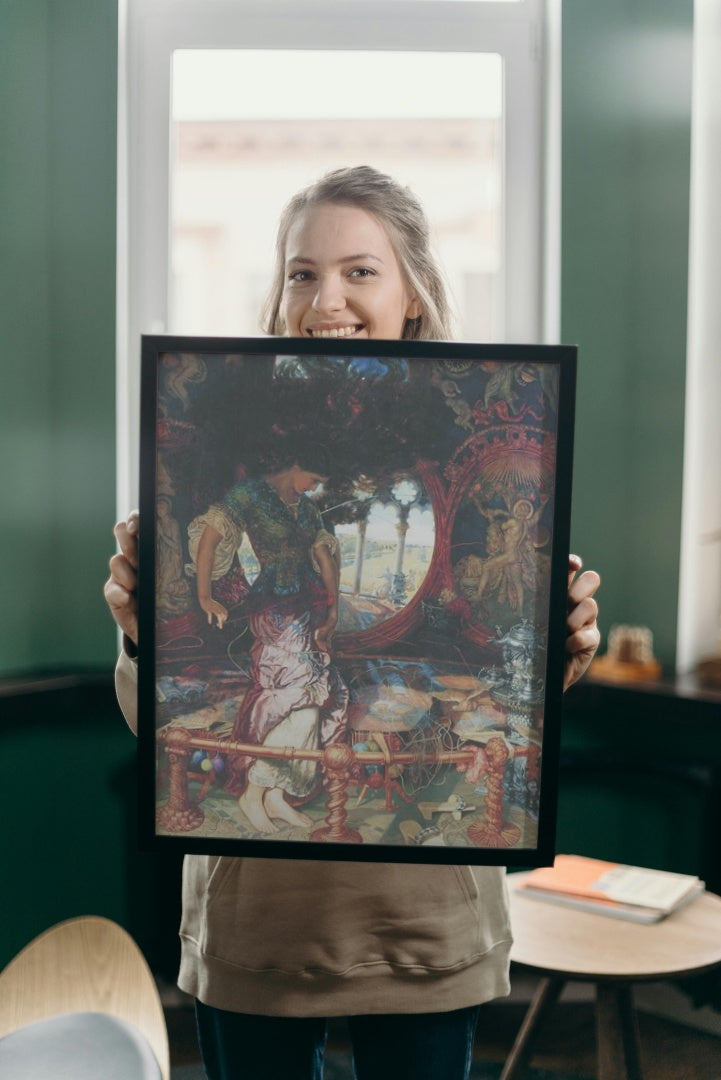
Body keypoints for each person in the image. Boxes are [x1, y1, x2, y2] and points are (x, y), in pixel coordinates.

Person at [105, 165, 601, 1080]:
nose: (324, 297)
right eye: (301, 272)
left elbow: (515, 704)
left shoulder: (493, 427)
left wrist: (557, 649)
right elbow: (159, 728)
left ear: (412, 291)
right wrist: (144, 634)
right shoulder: (217, 455)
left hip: (424, 923)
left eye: (359, 271)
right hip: (257, 924)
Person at [192, 448, 348, 835]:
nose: (314, 487)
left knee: (312, 700)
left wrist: (332, 614)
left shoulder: (308, 510)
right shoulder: (250, 494)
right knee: (295, 691)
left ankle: (277, 794)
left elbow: (325, 558)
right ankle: (253, 792)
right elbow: (210, 538)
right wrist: (204, 596)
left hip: (307, 611)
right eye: (312, 478)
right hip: (273, 613)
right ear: (295, 464)